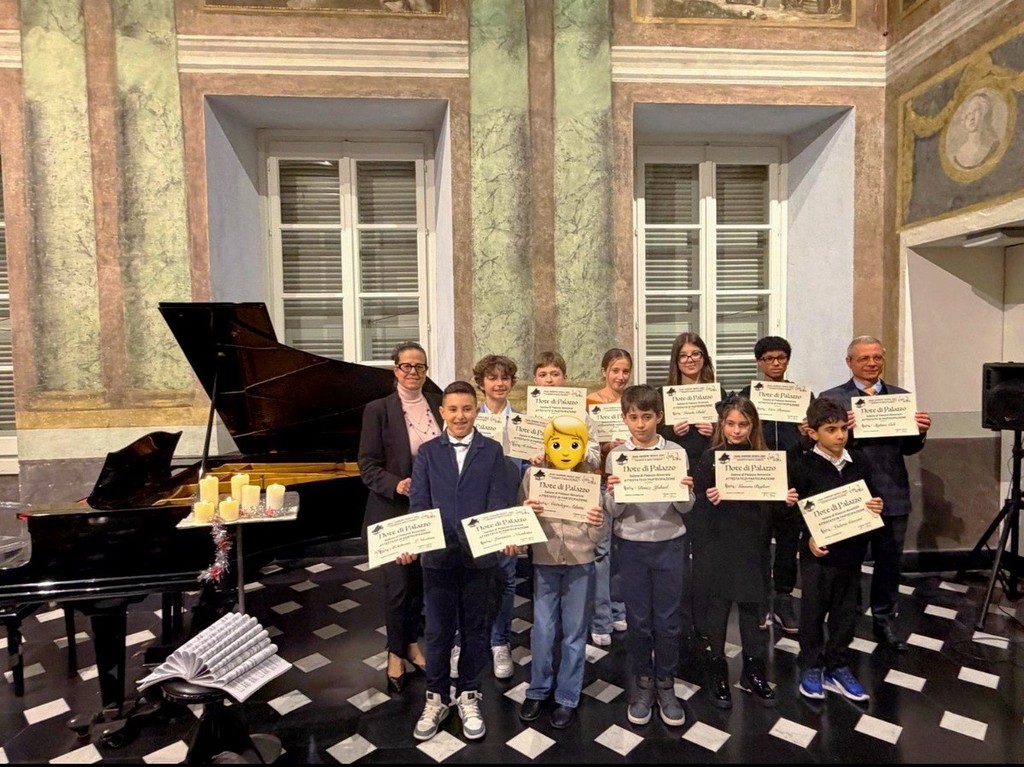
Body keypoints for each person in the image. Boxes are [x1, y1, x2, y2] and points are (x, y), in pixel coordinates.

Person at [407, 381, 519, 742]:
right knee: (438, 633)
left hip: (479, 558)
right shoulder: (427, 453)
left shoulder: (492, 450)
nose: (460, 416)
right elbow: (419, 504)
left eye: (467, 409)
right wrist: (411, 542)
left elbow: (498, 501)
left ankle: (469, 695)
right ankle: (436, 698)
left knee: (475, 631)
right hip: (438, 558)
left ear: (476, 412)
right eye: (453, 409)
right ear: (442, 412)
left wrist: (503, 536)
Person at [820, 336, 931, 651]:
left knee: (889, 561)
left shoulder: (900, 398)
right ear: (849, 362)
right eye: (864, 358)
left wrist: (920, 432)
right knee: (846, 560)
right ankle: (846, 618)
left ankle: (884, 620)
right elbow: (820, 447)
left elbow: (908, 448)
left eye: (877, 358)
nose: (871, 363)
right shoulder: (831, 399)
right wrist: (845, 431)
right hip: (848, 493)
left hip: (892, 491)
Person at [692, 396, 797, 709]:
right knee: (718, 610)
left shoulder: (766, 460)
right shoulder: (710, 458)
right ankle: (717, 669)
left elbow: (775, 512)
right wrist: (708, 498)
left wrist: (785, 501)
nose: (736, 430)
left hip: (753, 546)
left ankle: (754, 670)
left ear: (753, 426)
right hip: (718, 546)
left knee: (753, 611)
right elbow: (695, 506)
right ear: (722, 425)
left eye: (743, 424)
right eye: (731, 424)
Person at [604, 384, 694, 727]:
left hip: (670, 542)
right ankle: (643, 682)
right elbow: (613, 510)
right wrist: (615, 492)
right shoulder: (617, 455)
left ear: (659, 416)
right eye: (633, 417)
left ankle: (666, 682)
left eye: (647, 416)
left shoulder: (676, 452)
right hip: (631, 544)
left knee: (668, 620)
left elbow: (686, 507)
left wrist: (685, 491)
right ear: (624, 418)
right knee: (638, 620)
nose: (640, 424)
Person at [788, 398, 884, 702]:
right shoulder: (802, 465)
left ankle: (838, 664)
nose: (840, 435)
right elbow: (793, 512)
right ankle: (811, 664)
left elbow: (870, 495)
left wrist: (876, 504)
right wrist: (808, 541)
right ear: (813, 433)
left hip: (851, 553)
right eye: (831, 430)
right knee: (813, 612)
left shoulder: (860, 461)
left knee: (846, 613)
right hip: (818, 556)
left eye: (843, 428)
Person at [358, 341, 438, 694]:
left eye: (419, 366)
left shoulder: (437, 404)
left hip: (429, 510)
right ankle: (394, 652)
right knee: (398, 587)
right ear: (395, 369)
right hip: (392, 509)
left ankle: (411, 644)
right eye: (406, 366)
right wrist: (397, 484)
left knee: (419, 582)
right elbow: (367, 465)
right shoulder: (378, 409)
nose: (413, 372)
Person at [519, 415, 607, 730]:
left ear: (582, 446)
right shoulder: (533, 476)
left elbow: (599, 536)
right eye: (557, 444)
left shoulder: (590, 480)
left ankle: (567, 695)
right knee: (542, 629)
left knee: (574, 632)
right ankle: (538, 689)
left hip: (580, 563)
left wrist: (598, 523)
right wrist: (527, 513)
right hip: (545, 560)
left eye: (573, 444)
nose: (565, 450)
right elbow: (521, 521)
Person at [658, 333, 728, 655]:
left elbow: (734, 435)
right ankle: (677, 621)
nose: (690, 360)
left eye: (696, 354)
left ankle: (702, 623)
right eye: (684, 355)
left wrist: (715, 431)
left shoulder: (718, 394)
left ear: (704, 358)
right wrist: (672, 430)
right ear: (676, 360)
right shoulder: (663, 395)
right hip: (674, 483)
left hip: (708, 484)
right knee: (675, 558)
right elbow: (654, 436)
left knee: (704, 558)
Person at [738, 336, 810, 634]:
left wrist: (806, 433)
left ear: (787, 360)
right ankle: (760, 599)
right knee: (756, 543)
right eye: (769, 359)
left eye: (781, 358)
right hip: (758, 481)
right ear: (759, 363)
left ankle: (783, 597)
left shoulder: (801, 396)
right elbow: (736, 435)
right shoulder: (747, 396)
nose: (776, 363)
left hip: (792, 482)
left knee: (788, 544)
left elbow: (812, 441)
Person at [472, 354, 524, 681]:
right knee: (470, 579)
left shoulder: (523, 422)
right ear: (482, 383)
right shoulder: (468, 418)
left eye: (504, 377)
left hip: (507, 510)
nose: (499, 383)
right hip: (474, 511)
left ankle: (500, 641)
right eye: (492, 377)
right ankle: (464, 641)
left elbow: (528, 472)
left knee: (506, 579)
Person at [587, 348, 631, 647]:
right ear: (604, 371)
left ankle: (619, 608)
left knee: (623, 548)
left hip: (628, 482)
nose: (621, 376)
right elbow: (584, 444)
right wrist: (604, 447)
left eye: (626, 371)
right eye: (615, 370)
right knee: (601, 552)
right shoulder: (590, 402)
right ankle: (601, 618)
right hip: (600, 481)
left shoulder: (632, 402)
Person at [530, 351, 601, 470]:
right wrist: (531, 458)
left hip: (574, 478)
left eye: (555, 374)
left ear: (564, 378)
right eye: (542, 375)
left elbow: (595, 460)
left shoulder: (581, 415)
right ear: (535, 380)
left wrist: (580, 451)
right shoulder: (527, 416)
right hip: (541, 477)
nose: (549, 380)